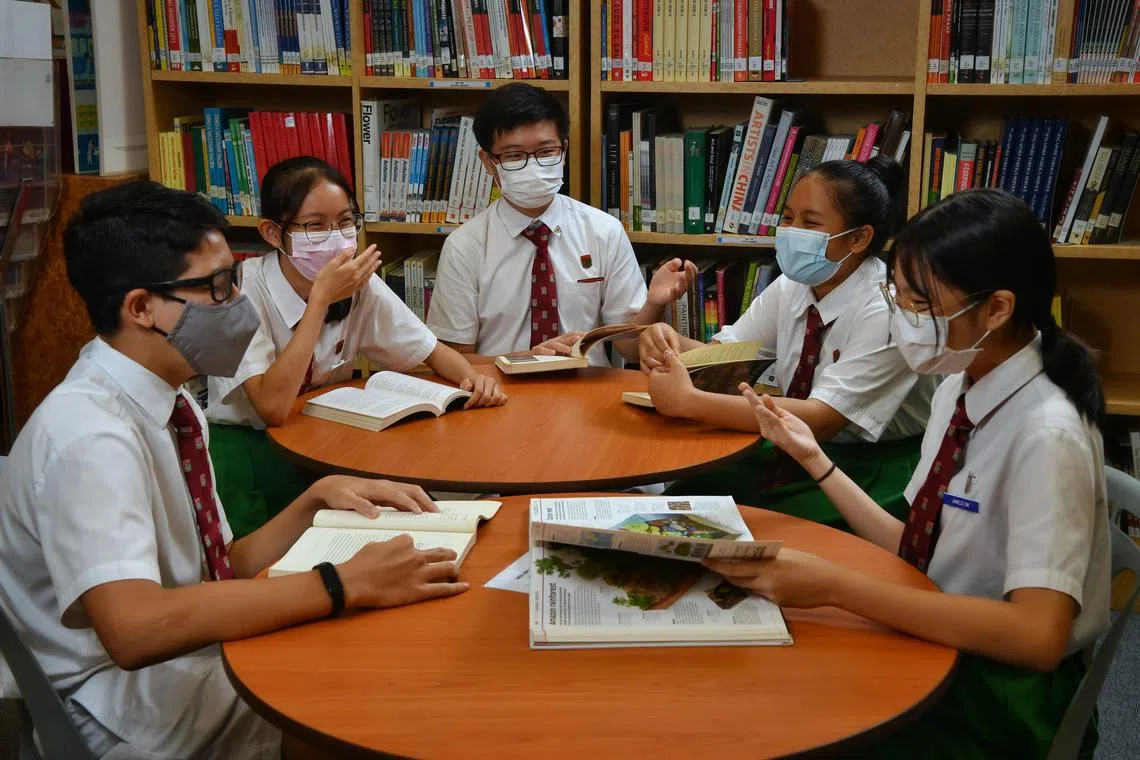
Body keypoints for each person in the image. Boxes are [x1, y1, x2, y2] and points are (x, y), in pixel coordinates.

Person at [0, 181, 469, 759]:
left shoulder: (170, 401)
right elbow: (136, 628)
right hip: (115, 703)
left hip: (178, 659)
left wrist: (313, 503)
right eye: (218, 288)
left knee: (372, 648)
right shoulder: (88, 434)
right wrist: (340, 583)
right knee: (363, 698)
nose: (239, 306)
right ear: (142, 307)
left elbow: (219, 570)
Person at [709, 189, 1110, 758]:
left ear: (997, 309)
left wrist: (836, 587)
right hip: (940, 630)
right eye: (896, 296)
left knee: (791, 710)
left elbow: (1036, 637)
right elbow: (921, 547)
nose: (902, 321)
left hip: (1002, 692)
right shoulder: (958, 388)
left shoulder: (1046, 433)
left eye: (921, 305)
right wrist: (814, 459)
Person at [206, 157, 506, 538]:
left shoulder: (358, 284)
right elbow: (272, 407)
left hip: (322, 436)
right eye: (315, 225)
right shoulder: (243, 290)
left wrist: (473, 379)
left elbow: (429, 348)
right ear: (272, 232)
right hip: (250, 446)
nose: (336, 237)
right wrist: (320, 301)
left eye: (346, 221)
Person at [642, 157, 935, 527]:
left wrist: (689, 402)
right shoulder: (794, 284)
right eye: (787, 218)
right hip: (792, 443)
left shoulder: (886, 308)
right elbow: (731, 358)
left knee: (757, 529)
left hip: (871, 467)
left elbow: (821, 420)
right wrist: (670, 343)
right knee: (681, 504)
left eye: (810, 223)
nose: (792, 232)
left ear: (860, 238)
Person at [427, 82, 696, 365]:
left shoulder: (603, 231)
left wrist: (654, 303)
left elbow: (627, 348)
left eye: (545, 152)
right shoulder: (464, 247)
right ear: (487, 161)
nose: (533, 166)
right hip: (501, 395)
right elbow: (453, 359)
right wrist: (524, 359)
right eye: (514, 156)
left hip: (587, 391)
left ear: (564, 150)